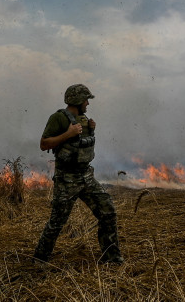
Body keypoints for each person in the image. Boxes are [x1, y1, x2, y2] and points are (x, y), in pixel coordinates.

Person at [33, 84, 123, 264]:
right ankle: (39, 260)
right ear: (77, 100)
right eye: (86, 100)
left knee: (108, 211)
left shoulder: (83, 119)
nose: (88, 103)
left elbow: (81, 143)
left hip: (86, 176)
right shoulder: (58, 118)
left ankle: (112, 259)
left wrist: (91, 129)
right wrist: (67, 134)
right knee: (57, 222)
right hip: (67, 179)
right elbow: (44, 144)